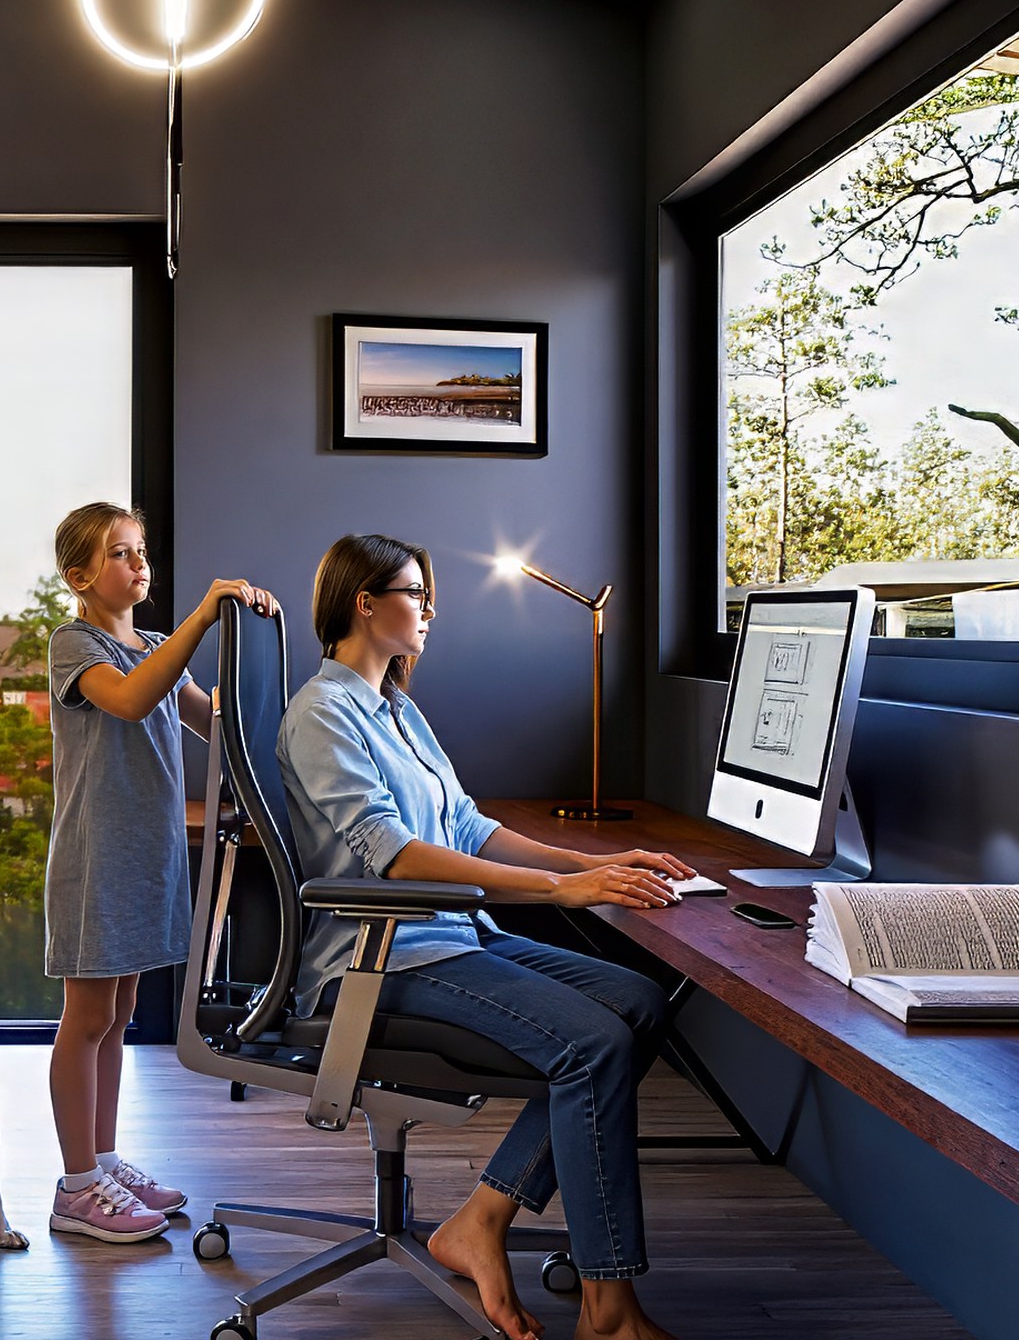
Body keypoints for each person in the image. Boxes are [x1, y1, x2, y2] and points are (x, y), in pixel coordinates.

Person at [278, 533, 694, 1340]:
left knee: (642, 1002)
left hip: (455, 935)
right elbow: (394, 854)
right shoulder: (321, 715)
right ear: (365, 603)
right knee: (590, 1045)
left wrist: (594, 862)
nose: (430, 609)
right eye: (413, 593)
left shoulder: (396, 707)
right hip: (379, 960)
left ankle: (480, 1218)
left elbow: (467, 827)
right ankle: (610, 1311)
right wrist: (559, 889)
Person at [43, 500, 278, 1243]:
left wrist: (252, 637)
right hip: (96, 857)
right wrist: (204, 618)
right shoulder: (74, 646)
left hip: (148, 857)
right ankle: (76, 1187)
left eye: (141, 550)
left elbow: (220, 724)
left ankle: (103, 1160)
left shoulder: (149, 641)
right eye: (121, 553)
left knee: (116, 1020)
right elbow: (133, 697)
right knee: (85, 1021)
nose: (139, 563)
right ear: (80, 576)